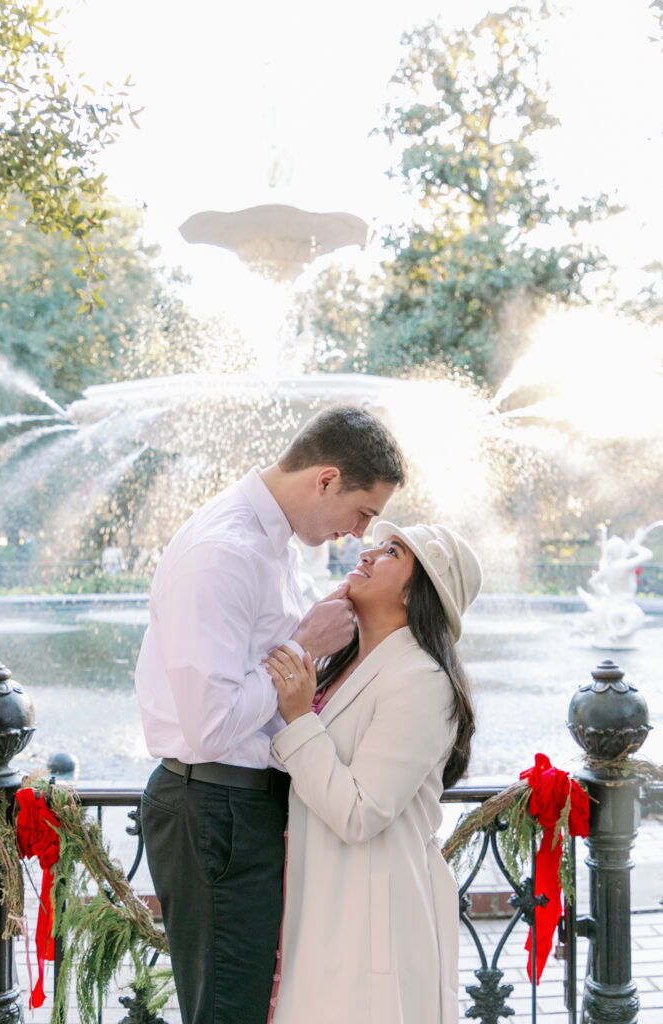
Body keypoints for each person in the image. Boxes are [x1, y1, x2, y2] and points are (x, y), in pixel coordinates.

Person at [135, 406, 406, 1024]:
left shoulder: (272, 544)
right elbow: (210, 724)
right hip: (214, 808)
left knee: (249, 1003)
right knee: (231, 1010)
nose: (356, 533)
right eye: (362, 513)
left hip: (237, 808)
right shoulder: (224, 551)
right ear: (326, 479)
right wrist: (305, 644)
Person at [264, 521, 482, 1024]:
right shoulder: (341, 667)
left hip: (369, 919)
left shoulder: (423, 680)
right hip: (320, 904)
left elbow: (361, 812)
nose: (367, 553)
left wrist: (299, 719)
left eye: (392, 551)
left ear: (416, 592)